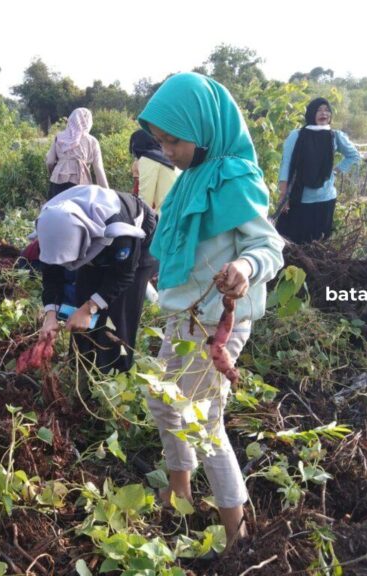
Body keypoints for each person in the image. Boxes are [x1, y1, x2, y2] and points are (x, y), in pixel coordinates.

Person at [138, 72, 285, 550]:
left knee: (203, 419)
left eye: (174, 140)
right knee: (163, 400)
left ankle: (237, 536)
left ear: (204, 129)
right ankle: (180, 494)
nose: (168, 150)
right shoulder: (190, 179)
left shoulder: (236, 176)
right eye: (160, 140)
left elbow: (269, 246)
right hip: (183, 317)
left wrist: (244, 265)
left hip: (218, 325)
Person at [35, 185, 157, 373]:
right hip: (94, 242)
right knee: (82, 300)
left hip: (137, 249)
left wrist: (89, 308)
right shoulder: (51, 228)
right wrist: (50, 316)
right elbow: (52, 276)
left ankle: (112, 377)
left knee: (118, 317)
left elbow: (124, 275)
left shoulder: (120, 230)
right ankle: (81, 368)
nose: (70, 265)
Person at [275, 97, 360, 243]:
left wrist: (336, 170)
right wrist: (283, 195)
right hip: (299, 197)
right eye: (319, 110)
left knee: (318, 243)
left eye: (327, 110)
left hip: (325, 198)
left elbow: (354, 155)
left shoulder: (335, 136)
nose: (324, 113)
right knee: (291, 241)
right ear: (311, 113)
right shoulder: (297, 135)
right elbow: (286, 164)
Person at [45, 108, 109, 199]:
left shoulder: (59, 137)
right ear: (88, 122)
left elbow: (49, 162)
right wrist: (107, 194)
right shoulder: (92, 141)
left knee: (54, 211)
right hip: (80, 183)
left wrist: (53, 174)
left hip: (57, 182)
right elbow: (99, 170)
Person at [129, 128, 180, 212]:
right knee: (165, 205)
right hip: (167, 163)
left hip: (148, 159)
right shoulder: (165, 156)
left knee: (144, 202)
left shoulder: (147, 157)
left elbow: (145, 197)